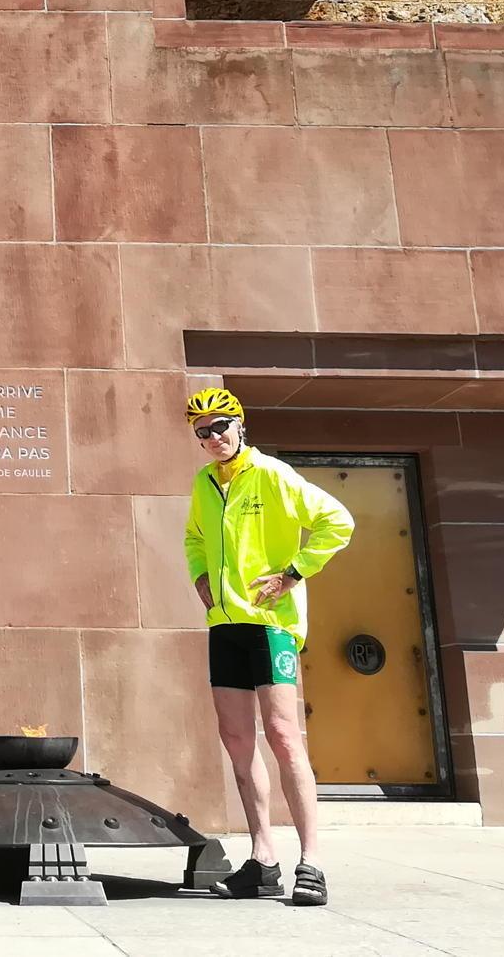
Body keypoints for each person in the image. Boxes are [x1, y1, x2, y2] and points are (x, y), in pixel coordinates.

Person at [182, 387, 353, 908]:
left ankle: (313, 861)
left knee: (282, 734)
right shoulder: (205, 483)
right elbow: (193, 537)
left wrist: (293, 574)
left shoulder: (272, 474)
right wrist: (201, 580)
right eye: (201, 431)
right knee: (236, 738)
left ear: (240, 425)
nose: (212, 438)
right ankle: (262, 861)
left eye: (219, 426)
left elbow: (337, 521)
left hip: (272, 626)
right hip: (225, 625)